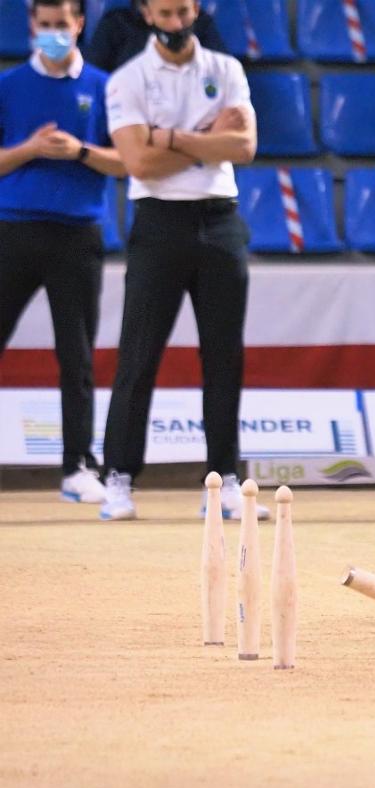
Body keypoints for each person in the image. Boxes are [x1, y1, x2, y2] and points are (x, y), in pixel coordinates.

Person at [98, 0, 264, 522]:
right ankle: (119, 478)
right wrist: (207, 139)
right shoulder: (127, 78)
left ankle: (224, 480)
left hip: (219, 221)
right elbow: (137, 161)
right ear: (147, 14)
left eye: (183, 12)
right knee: (139, 355)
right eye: (165, 14)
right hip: (158, 222)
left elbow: (245, 146)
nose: (176, 23)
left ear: (196, 11)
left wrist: (169, 136)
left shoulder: (226, 69)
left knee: (223, 359)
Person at [0, 0, 128, 504]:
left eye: (63, 25)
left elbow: (125, 162)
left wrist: (79, 150)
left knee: (76, 357)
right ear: (32, 26)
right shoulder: (8, 86)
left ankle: (78, 466)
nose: (54, 33)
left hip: (78, 236)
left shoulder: (104, 86)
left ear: (80, 24)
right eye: (45, 25)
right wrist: (29, 149)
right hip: (13, 231)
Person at [84, 0, 227, 73]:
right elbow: (95, 84)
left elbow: (221, 76)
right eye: (165, 14)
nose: (176, 25)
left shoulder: (200, 22)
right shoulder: (116, 24)